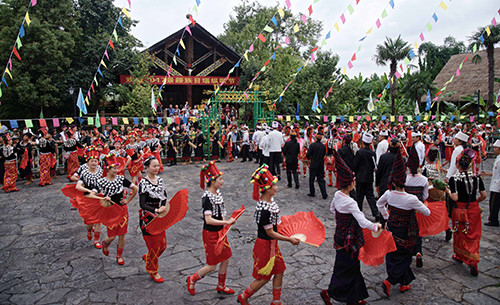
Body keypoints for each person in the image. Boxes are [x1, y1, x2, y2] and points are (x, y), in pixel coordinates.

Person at [321, 150, 382, 305]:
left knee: (352, 266)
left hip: (340, 235)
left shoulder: (337, 196)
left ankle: (354, 297)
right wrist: (376, 226)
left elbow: (332, 210)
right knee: (346, 268)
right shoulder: (351, 202)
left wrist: (341, 220)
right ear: (351, 184)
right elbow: (362, 222)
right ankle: (330, 293)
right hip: (350, 239)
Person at [237, 164, 300, 305]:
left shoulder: (268, 203)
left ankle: (276, 301)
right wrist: (289, 239)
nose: (276, 188)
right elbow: (270, 232)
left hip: (271, 245)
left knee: (279, 270)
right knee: (264, 277)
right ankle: (244, 296)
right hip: (265, 246)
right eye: (274, 186)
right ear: (267, 189)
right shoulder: (265, 210)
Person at [377, 151, 430, 297]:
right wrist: (417, 207)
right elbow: (427, 212)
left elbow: (379, 204)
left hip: (392, 226)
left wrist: (387, 216)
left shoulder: (389, 194)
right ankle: (390, 281)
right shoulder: (411, 199)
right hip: (406, 231)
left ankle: (404, 283)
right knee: (405, 256)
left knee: (393, 254)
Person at [187, 161, 236, 295]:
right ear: (212, 181)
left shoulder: (217, 194)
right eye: (220, 179)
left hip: (220, 232)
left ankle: (221, 285)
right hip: (211, 234)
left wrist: (226, 223)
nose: (222, 181)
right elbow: (208, 220)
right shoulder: (207, 198)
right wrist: (226, 223)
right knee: (212, 265)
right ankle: (192, 279)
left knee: (226, 257)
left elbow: (220, 215)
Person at [445, 148, 486, 276]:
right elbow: (483, 195)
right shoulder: (477, 177)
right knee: (473, 233)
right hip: (473, 208)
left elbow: (455, 197)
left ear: (457, 165)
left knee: (459, 231)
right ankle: (472, 259)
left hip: (460, 208)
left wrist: (447, 192)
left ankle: (460, 254)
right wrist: (476, 202)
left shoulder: (454, 179)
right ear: (469, 165)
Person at [93, 154, 138, 265]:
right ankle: (105, 243)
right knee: (111, 236)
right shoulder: (101, 181)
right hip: (110, 210)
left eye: (117, 168)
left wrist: (128, 200)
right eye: (114, 168)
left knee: (122, 234)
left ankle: (119, 256)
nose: (117, 170)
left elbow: (135, 188)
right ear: (107, 169)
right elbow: (91, 194)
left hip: (122, 209)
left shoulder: (121, 179)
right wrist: (102, 197)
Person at [139, 156, 169, 283]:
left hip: (160, 217)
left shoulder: (160, 180)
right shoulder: (143, 183)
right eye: (154, 166)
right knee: (154, 247)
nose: (157, 168)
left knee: (163, 245)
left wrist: (163, 207)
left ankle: (148, 257)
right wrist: (155, 210)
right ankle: (153, 270)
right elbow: (142, 204)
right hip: (148, 219)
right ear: (147, 168)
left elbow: (164, 195)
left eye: (158, 165)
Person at [71, 146, 104, 248]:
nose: (94, 163)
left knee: (99, 220)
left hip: (98, 198)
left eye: (95, 161)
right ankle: (89, 230)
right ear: (88, 162)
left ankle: (96, 240)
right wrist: (88, 190)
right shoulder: (84, 172)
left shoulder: (101, 170)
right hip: (88, 198)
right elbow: (77, 185)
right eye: (92, 161)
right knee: (90, 221)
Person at [405, 145, 429, 268]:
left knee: (408, 232)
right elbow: (425, 196)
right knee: (418, 231)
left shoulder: (405, 179)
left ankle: (408, 253)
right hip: (418, 208)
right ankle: (419, 252)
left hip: (406, 208)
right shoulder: (424, 180)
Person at [354, 133, 379, 220]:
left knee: (359, 197)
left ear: (363, 142)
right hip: (369, 177)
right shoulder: (372, 153)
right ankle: (376, 213)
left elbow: (355, 165)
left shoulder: (359, 152)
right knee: (370, 196)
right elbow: (374, 165)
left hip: (360, 177)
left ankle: (359, 213)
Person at [481, 139, 500, 227]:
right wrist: (487, 173)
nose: (494, 149)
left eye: (496, 148)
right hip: (495, 183)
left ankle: (493, 220)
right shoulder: (497, 158)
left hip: (497, 185)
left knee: (494, 204)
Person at [306, 128, 328, 199]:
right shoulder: (323, 146)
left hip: (313, 164)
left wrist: (309, 158)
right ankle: (324, 193)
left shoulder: (312, 145)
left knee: (311, 179)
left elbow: (308, 154)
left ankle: (312, 192)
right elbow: (325, 154)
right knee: (321, 179)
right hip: (320, 164)